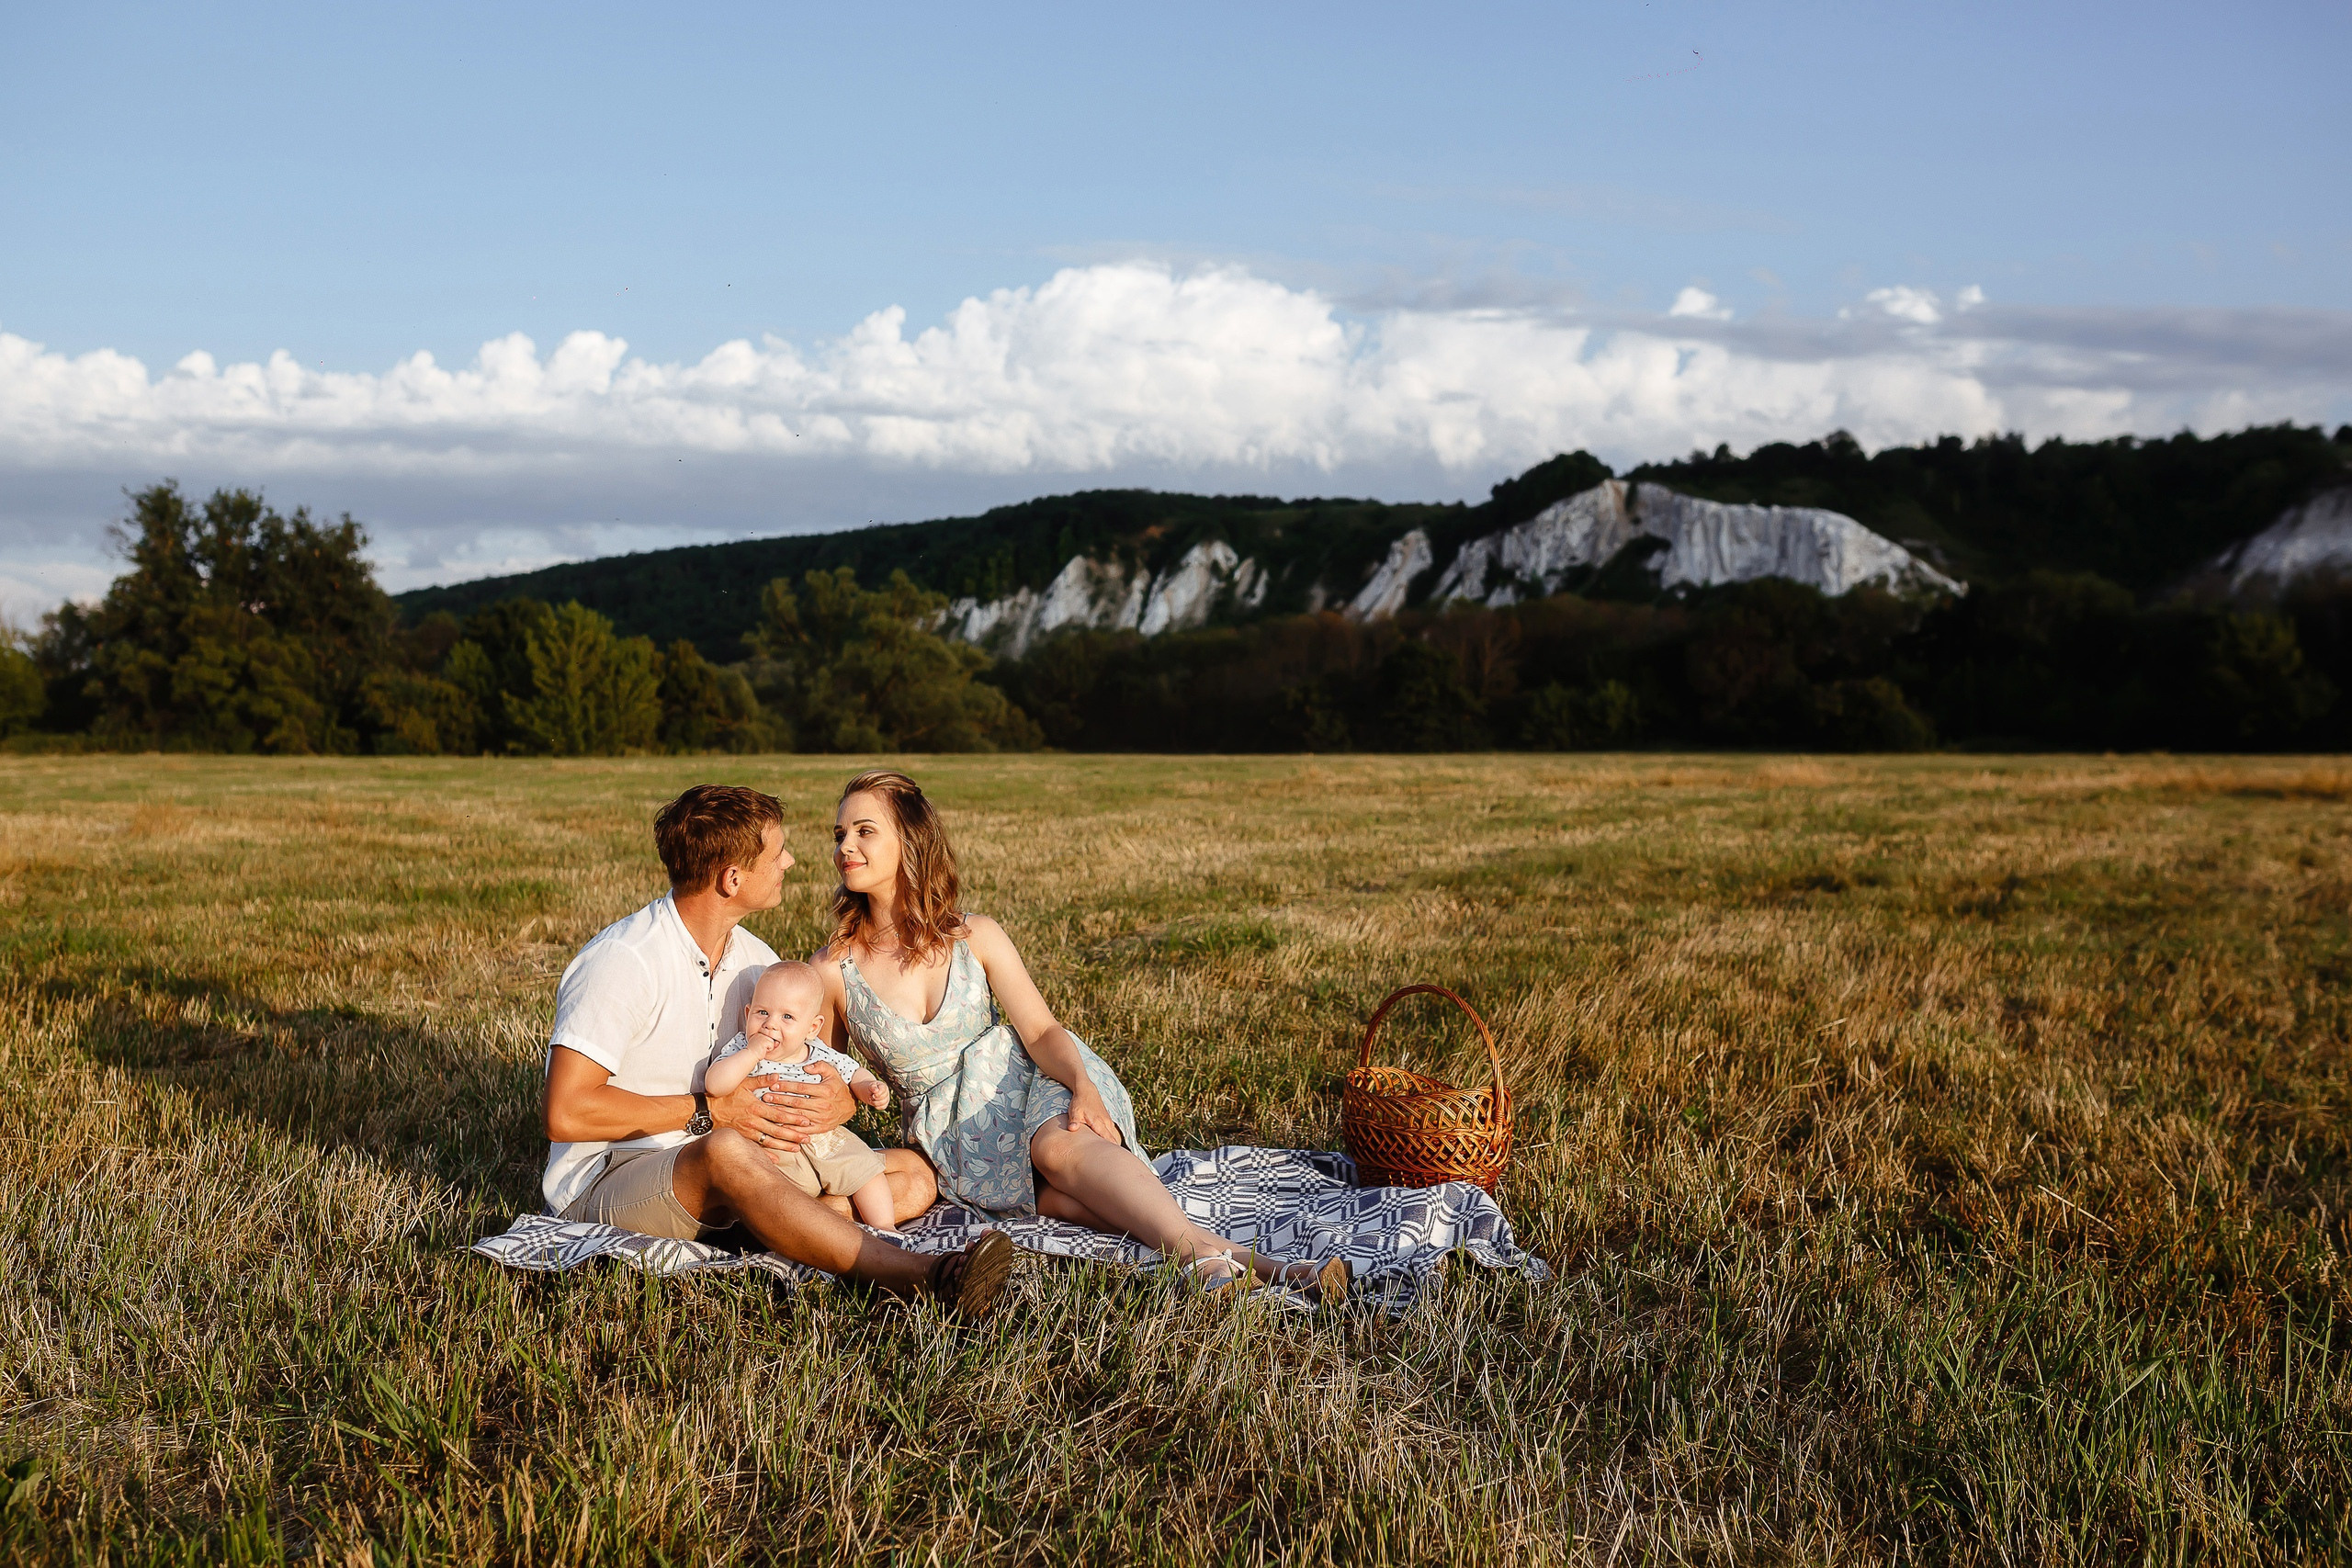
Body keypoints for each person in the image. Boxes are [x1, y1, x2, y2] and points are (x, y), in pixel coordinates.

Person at [814, 769, 1349, 1302]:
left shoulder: (973, 934)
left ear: (911, 842)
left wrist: (1082, 1087)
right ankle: (1278, 1269)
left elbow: (1042, 1030)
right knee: (1067, 1205)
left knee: (1057, 1149)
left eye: (865, 831)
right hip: (960, 1145)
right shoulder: (834, 970)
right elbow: (829, 1084)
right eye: (840, 835)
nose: (846, 847)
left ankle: (1205, 1264)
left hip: (1028, 1081)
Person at [540, 783, 1013, 1316]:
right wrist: (711, 1113)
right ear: (733, 878)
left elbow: (804, 1054)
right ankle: (918, 1277)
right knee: (727, 1152)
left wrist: (841, 1100)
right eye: (776, 852)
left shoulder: (753, 960)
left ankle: (793, 1229)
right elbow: (566, 1113)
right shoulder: (623, 963)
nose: (790, 859)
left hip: (751, 1159)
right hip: (616, 1175)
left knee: (911, 1173)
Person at [704, 960, 898, 1232]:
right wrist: (751, 1054)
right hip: (773, 1146)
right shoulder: (741, 1047)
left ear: (812, 1028)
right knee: (772, 1192)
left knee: (867, 1169)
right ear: (747, 1013)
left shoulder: (819, 1052)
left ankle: (885, 1227)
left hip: (825, 1139)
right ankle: (784, 1236)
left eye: (787, 1017)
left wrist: (871, 1089)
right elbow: (715, 1084)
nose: (770, 1025)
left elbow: (853, 1072)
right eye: (762, 1012)